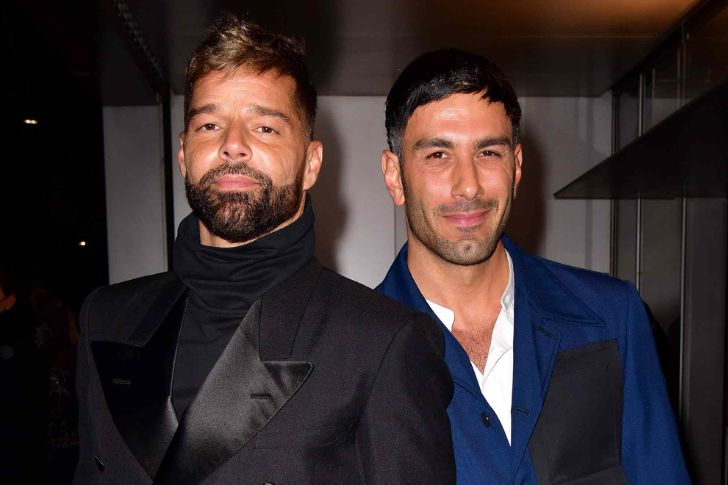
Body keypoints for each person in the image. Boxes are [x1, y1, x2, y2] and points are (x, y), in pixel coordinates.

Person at [73, 16, 454, 485]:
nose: (232, 145)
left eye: (265, 128)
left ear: (311, 163)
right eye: (210, 124)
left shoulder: (382, 342)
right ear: (184, 154)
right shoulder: (106, 319)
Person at [376, 49, 690, 484]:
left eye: (488, 152)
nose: (468, 185)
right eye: (438, 155)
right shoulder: (356, 352)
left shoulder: (612, 316)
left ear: (517, 166)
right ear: (395, 176)